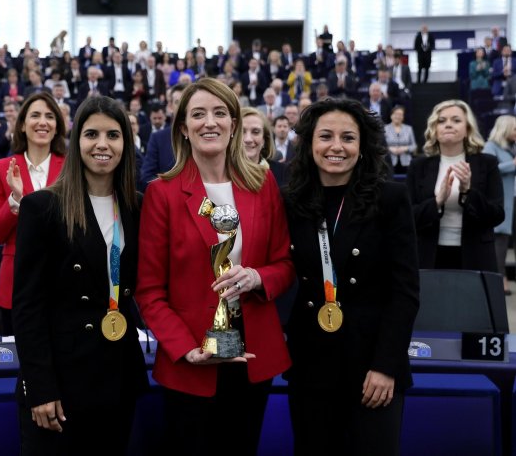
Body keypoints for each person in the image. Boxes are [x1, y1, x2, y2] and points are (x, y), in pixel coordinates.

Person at [135, 78, 295, 455]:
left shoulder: (262, 183)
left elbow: (284, 264)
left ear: (234, 125)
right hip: (193, 358)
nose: (210, 122)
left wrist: (257, 276)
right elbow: (149, 290)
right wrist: (188, 349)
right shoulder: (162, 193)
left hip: (253, 354)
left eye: (220, 113)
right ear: (184, 129)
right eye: (198, 114)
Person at [283, 98, 420, 455]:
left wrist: (386, 366)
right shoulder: (291, 201)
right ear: (310, 143)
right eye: (325, 136)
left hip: (372, 368)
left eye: (348, 138)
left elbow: (404, 291)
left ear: (363, 147)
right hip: (311, 366)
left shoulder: (390, 198)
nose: (336, 147)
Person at [13, 95, 147, 454]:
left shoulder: (138, 206)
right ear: (76, 143)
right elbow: (27, 307)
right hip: (60, 382)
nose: (102, 145)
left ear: (126, 144)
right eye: (91, 135)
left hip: (117, 375)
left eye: (113, 135)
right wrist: (40, 388)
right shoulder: (42, 207)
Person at [0, 92, 67, 335]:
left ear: (57, 127)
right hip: (17, 283)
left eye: (50, 116)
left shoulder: (73, 168)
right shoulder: (1, 169)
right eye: (35, 115)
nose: (43, 122)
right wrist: (16, 199)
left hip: (64, 281)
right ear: (21, 125)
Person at [406, 100, 504, 271]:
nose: (448, 125)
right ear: (434, 130)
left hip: (476, 257)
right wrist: (437, 202)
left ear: (467, 129)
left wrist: (467, 192)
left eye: (456, 120)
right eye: (442, 121)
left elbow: (497, 215)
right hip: (427, 256)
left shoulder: (487, 164)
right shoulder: (418, 166)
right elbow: (406, 217)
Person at [483, 115, 516, 294]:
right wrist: (512, 164)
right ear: (505, 129)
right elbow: (490, 169)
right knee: (500, 241)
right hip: (502, 200)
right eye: (515, 128)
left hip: (513, 197)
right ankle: (499, 279)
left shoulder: (512, 147)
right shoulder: (490, 146)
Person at [241, 107, 286, 187]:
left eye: (255, 132)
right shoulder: (219, 173)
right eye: (241, 132)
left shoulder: (283, 172)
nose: (248, 139)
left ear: (264, 140)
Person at [384, 105, 416, 174]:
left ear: (403, 117)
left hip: (406, 163)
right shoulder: (385, 129)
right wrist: (390, 149)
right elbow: (381, 146)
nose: (398, 116)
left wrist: (405, 148)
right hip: (389, 162)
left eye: (400, 114)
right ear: (391, 116)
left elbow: (414, 146)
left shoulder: (408, 129)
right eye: (396, 114)